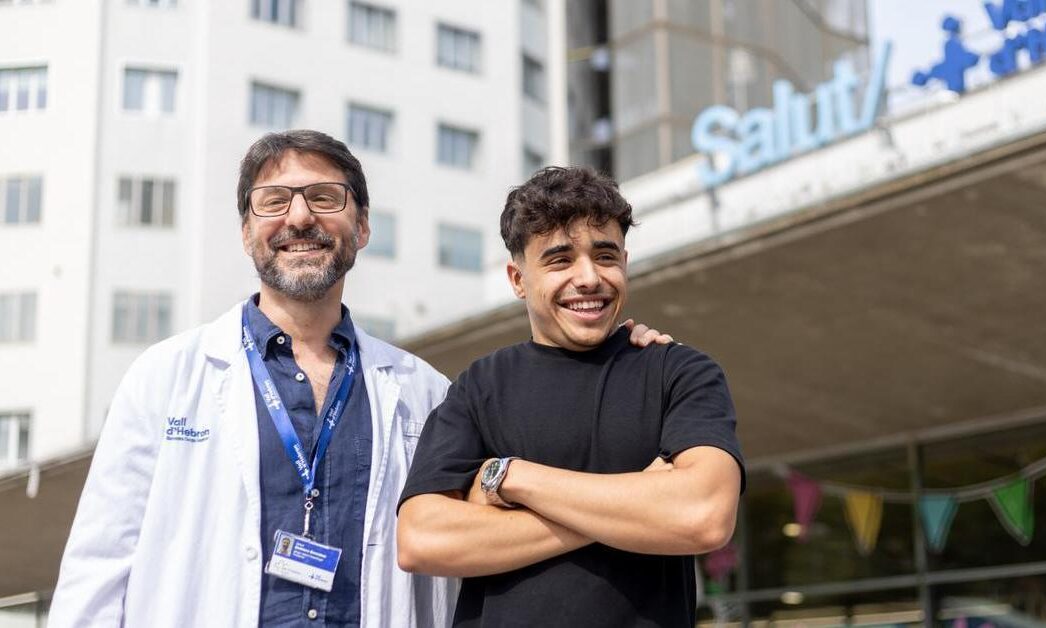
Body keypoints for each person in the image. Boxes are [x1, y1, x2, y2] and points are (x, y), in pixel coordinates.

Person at [48, 131, 670, 627]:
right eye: (274, 201)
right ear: (245, 231)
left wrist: (621, 357)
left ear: (363, 226)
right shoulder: (164, 378)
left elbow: (485, 525)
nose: (299, 217)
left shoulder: (425, 391)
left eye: (326, 198)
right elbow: (99, 569)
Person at [396, 166, 745, 627]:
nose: (589, 278)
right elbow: (421, 541)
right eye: (560, 260)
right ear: (517, 279)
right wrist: (636, 507)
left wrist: (512, 477)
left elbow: (704, 516)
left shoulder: (679, 372)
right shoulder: (479, 386)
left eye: (605, 256)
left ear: (625, 262)